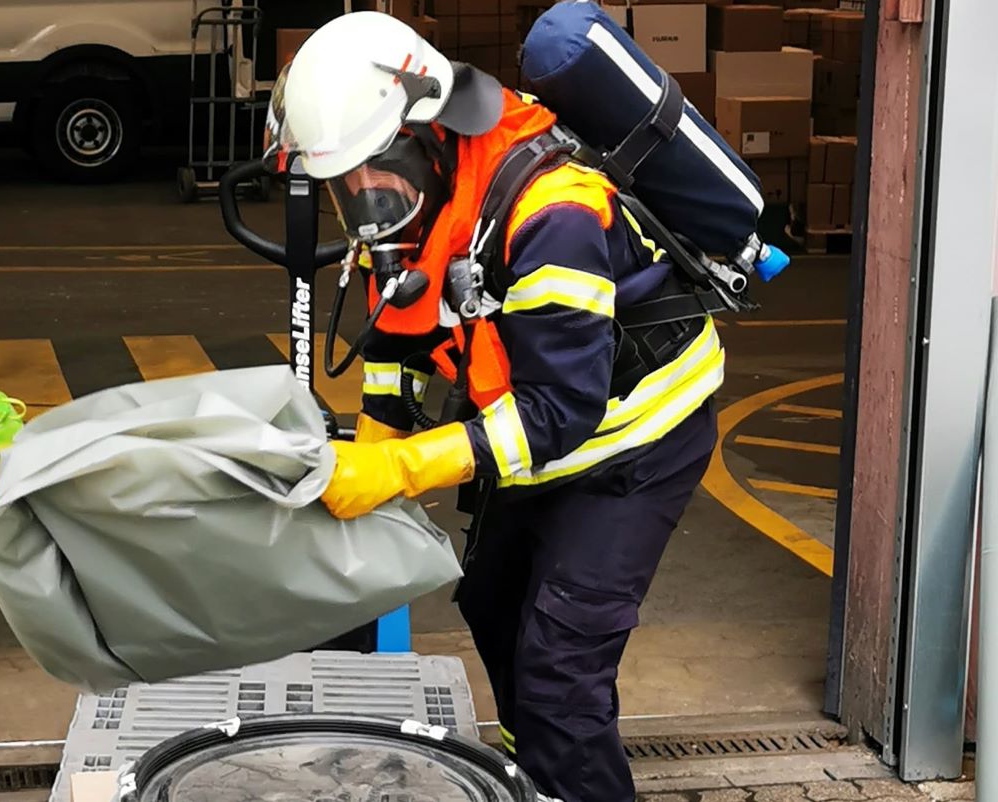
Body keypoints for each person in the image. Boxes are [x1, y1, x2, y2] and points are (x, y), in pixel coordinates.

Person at [274, 12, 726, 801]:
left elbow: (560, 414)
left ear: (430, 133)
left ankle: (568, 778)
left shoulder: (555, 214)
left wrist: (399, 469)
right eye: (346, 188)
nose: (366, 203)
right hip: (532, 426)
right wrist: (373, 446)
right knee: (492, 604)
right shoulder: (420, 210)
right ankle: (536, 781)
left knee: (560, 670)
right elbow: (398, 347)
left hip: (636, 442)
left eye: (376, 174)